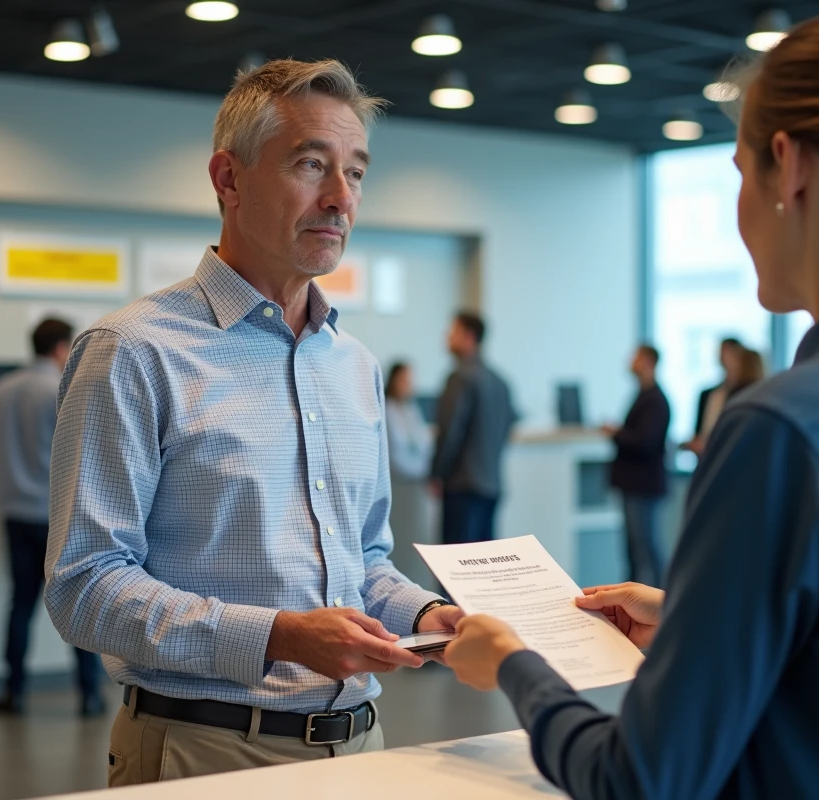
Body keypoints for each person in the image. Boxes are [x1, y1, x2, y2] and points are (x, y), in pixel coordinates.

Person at [445, 12, 819, 799]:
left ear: (789, 165)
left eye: (738, 171)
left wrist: (514, 664)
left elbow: (640, 779)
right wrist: (697, 620)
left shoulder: (785, 430)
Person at [44, 59, 462, 786]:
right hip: (207, 753)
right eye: (311, 165)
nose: (340, 198)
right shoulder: (134, 351)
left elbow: (363, 562)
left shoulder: (353, 365)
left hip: (362, 745)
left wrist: (428, 616)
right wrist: (278, 636)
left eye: (356, 173)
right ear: (228, 180)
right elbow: (85, 587)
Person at [0, 318, 103, 717]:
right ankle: (90, 694)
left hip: (15, 513)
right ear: (62, 348)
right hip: (57, 516)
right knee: (77, 602)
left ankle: (13, 692)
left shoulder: (0, 389)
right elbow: (86, 450)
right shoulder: (63, 387)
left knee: (21, 603)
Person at [431, 312, 517, 545]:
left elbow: (450, 431)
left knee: (455, 562)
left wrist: (437, 472)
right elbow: (507, 429)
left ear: (469, 337)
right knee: (485, 561)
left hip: (462, 486)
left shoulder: (460, 378)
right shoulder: (501, 382)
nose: (447, 337)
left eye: (453, 332)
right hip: (491, 484)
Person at [601, 345, 671, 587]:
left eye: (636, 358)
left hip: (644, 485)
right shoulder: (642, 395)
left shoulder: (655, 400)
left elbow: (645, 441)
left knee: (645, 546)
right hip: (634, 483)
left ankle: (660, 599)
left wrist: (617, 433)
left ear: (649, 362)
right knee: (633, 548)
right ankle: (630, 597)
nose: (631, 362)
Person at [384, 362, 436, 588]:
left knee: (417, 540)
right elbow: (395, 454)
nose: (409, 385)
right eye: (404, 379)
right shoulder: (387, 410)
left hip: (417, 487)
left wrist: (426, 472)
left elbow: (425, 445)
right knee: (400, 543)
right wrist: (421, 470)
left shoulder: (412, 409)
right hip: (398, 486)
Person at [681, 337, 743, 455]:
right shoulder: (708, 394)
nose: (725, 357)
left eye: (730, 353)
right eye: (723, 352)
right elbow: (698, 434)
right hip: (706, 457)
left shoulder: (743, 396)